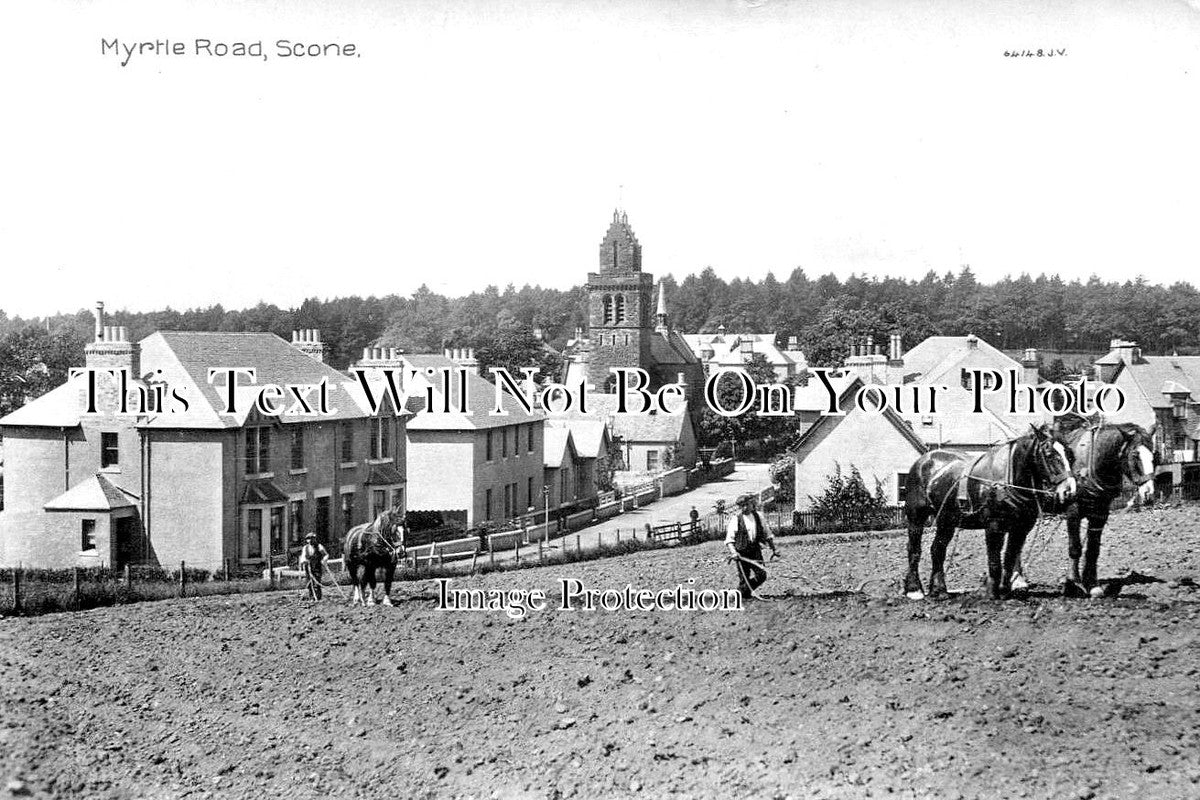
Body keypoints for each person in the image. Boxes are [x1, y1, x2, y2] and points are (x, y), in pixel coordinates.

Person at [725, 494, 779, 600]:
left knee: (762, 575)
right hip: (741, 553)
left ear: (752, 504)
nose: (744, 508)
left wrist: (774, 549)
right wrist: (734, 552)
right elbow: (729, 540)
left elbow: (767, 534)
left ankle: (739, 593)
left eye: (746, 505)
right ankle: (744, 598)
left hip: (755, 551)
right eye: (742, 506)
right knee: (744, 578)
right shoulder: (736, 519)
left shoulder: (759, 516)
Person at [300, 533, 330, 601]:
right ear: (307, 540)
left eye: (312, 538)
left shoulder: (319, 546)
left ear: (315, 539)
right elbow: (303, 557)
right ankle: (311, 597)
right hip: (308, 567)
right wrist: (304, 561)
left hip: (317, 567)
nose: (310, 540)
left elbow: (326, 555)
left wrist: (324, 560)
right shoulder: (305, 548)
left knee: (317, 581)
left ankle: (318, 597)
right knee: (309, 583)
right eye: (308, 539)